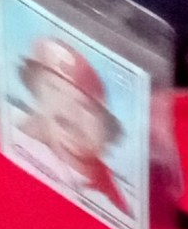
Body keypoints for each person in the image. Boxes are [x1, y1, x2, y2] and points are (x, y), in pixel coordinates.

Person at [11, 37, 131, 215]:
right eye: (54, 88)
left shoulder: (111, 199)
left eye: (86, 107)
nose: (67, 109)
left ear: (107, 130)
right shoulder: (17, 129)